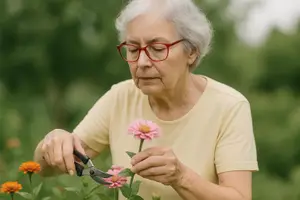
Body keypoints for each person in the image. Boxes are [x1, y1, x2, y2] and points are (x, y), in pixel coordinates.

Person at [34, 0, 259, 199]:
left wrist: (181, 177)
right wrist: (53, 143)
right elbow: (44, 168)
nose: (142, 61)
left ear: (192, 52)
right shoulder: (121, 97)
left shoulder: (229, 106)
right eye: (133, 49)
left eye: (157, 48)